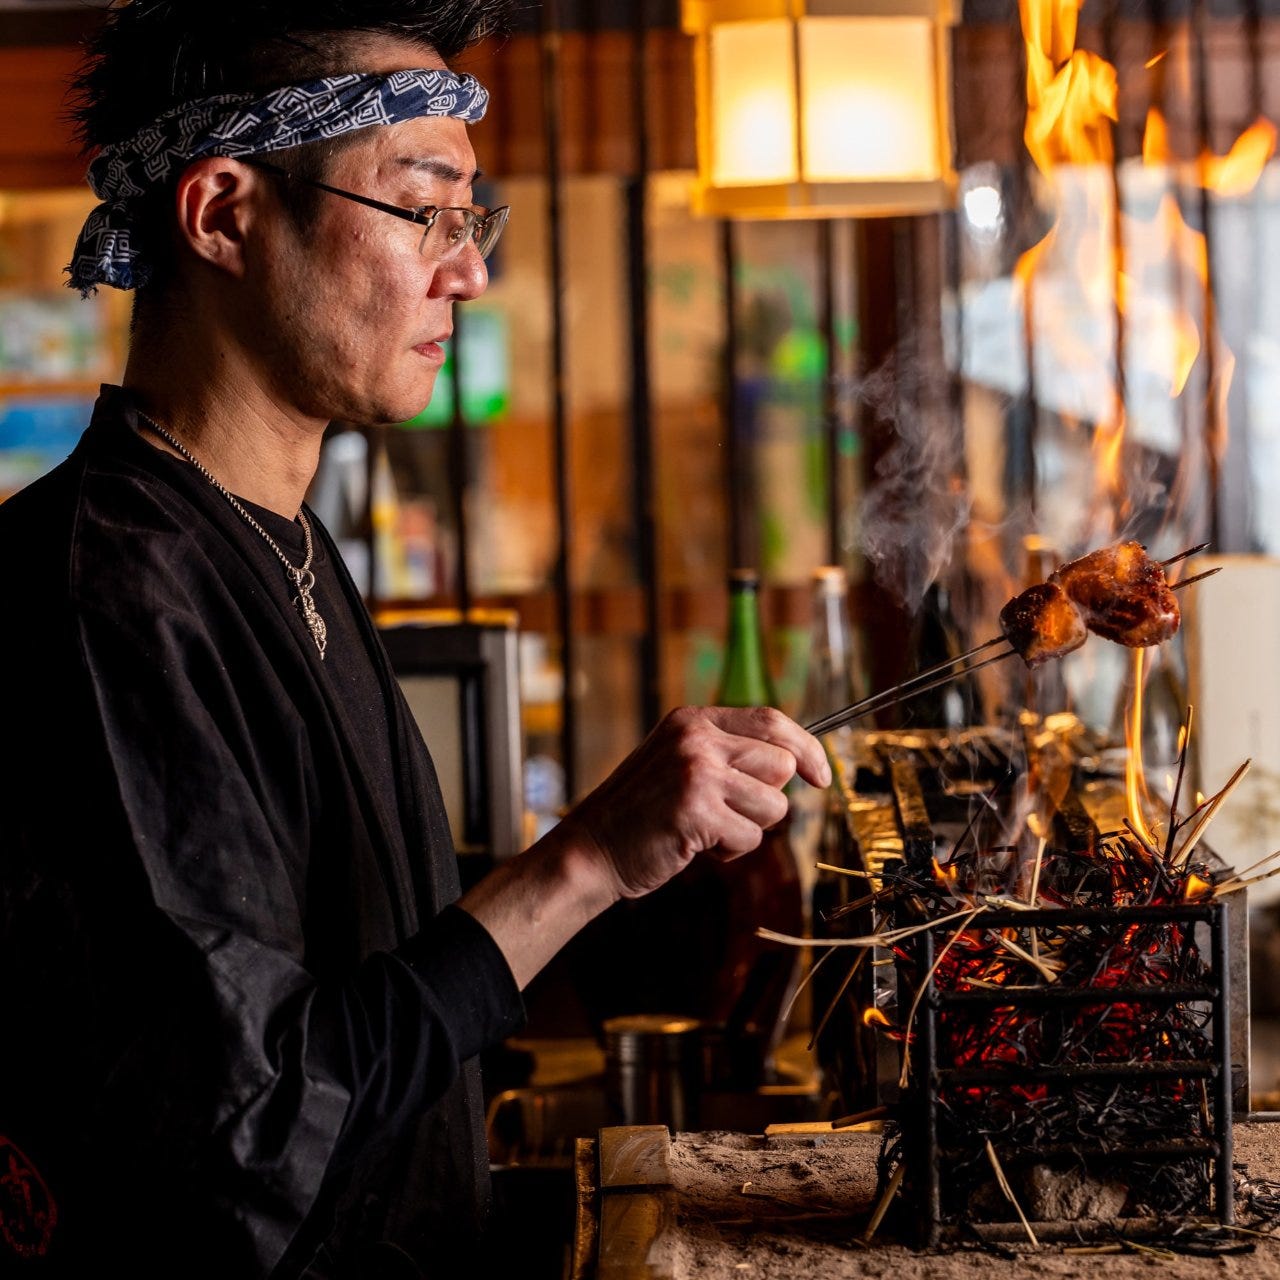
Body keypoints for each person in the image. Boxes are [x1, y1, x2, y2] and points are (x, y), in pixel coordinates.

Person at [0, 3, 831, 1277]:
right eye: (425, 207)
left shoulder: (280, 542)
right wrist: (584, 859)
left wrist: (656, 868)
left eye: (470, 216)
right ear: (224, 213)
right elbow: (254, 1127)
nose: (468, 269)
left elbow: (384, 972)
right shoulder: (105, 596)